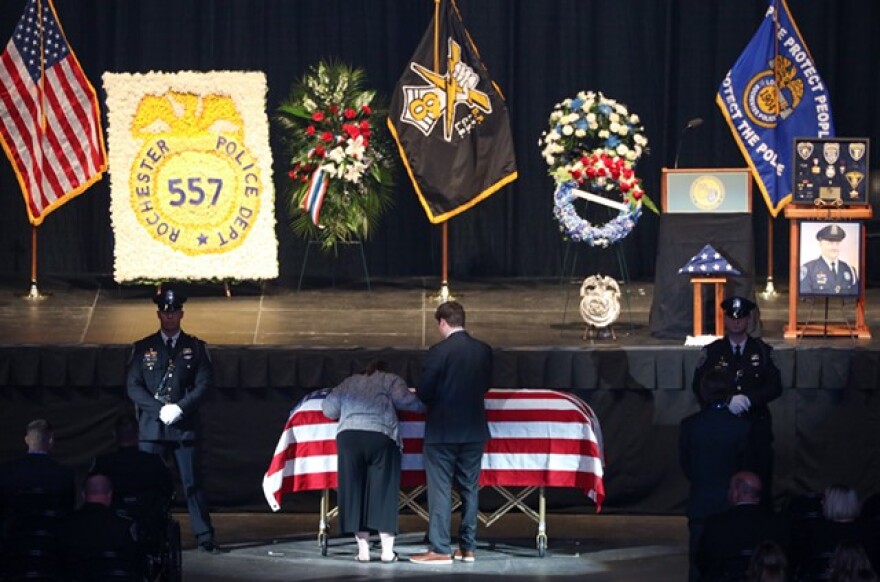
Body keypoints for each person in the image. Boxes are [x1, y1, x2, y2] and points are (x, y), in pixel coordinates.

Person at [126, 287, 226, 554]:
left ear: (181, 314)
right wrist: (158, 409)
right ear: (159, 314)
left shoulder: (195, 347)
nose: (169, 318)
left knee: (192, 484)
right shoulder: (143, 347)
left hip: (184, 427)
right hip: (153, 429)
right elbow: (133, 386)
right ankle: (146, 533)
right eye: (165, 313)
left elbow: (205, 384)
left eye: (174, 313)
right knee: (148, 484)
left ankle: (204, 535)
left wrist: (180, 408)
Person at [410, 301, 493, 565]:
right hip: (473, 430)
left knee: (441, 491)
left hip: (443, 433)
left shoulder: (439, 351)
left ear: (443, 322)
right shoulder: (483, 350)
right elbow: (486, 386)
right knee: (470, 488)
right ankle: (468, 548)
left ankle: (440, 548)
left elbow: (424, 392)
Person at [321, 359, 425, 563]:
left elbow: (329, 410)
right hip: (380, 435)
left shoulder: (349, 382)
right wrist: (430, 404)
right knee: (383, 491)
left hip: (349, 438)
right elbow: (406, 401)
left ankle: (363, 552)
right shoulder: (390, 379)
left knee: (354, 492)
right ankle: (387, 552)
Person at [692, 296, 782, 506]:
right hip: (722, 429)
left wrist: (749, 399)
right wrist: (724, 402)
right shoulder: (713, 352)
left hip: (755, 429)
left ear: (749, 320)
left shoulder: (762, 351)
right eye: (731, 318)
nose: (736, 322)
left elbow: (775, 386)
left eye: (741, 318)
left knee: (759, 481)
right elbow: (699, 386)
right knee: (724, 481)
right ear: (725, 319)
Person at [679, 368, 752, 581]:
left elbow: (686, 464)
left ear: (702, 392)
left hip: (700, 503)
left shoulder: (690, 425)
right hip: (730, 506)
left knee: (698, 565)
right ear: (730, 393)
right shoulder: (742, 427)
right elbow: (745, 467)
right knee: (730, 566)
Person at [0, 419, 76, 579]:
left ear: (27, 439)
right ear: (51, 440)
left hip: (15, 553)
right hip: (51, 554)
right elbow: (68, 517)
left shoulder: (7, 472)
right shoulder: (64, 475)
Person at [91, 414, 174, 537]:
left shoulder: (103, 463)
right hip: (149, 521)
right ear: (138, 433)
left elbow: (91, 490)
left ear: (114, 434)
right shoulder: (154, 462)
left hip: (112, 520)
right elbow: (167, 490)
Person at [697, 471, 789, 582]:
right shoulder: (778, 522)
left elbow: (702, 563)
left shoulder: (715, 523)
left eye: (730, 489)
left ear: (736, 493)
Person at [57, 473, 144, 581]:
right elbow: (135, 564)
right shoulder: (124, 526)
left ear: (83, 494)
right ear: (110, 494)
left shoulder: (66, 524)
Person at [792, 485, 873, 580]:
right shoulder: (867, 531)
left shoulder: (816, 532)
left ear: (835, 503)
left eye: (825, 499)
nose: (821, 502)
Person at [799, 223, 859, 296]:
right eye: (830, 243)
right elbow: (806, 300)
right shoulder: (809, 269)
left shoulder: (850, 270)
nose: (834, 247)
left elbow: (855, 298)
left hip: (843, 307)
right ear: (820, 244)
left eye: (837, 243)